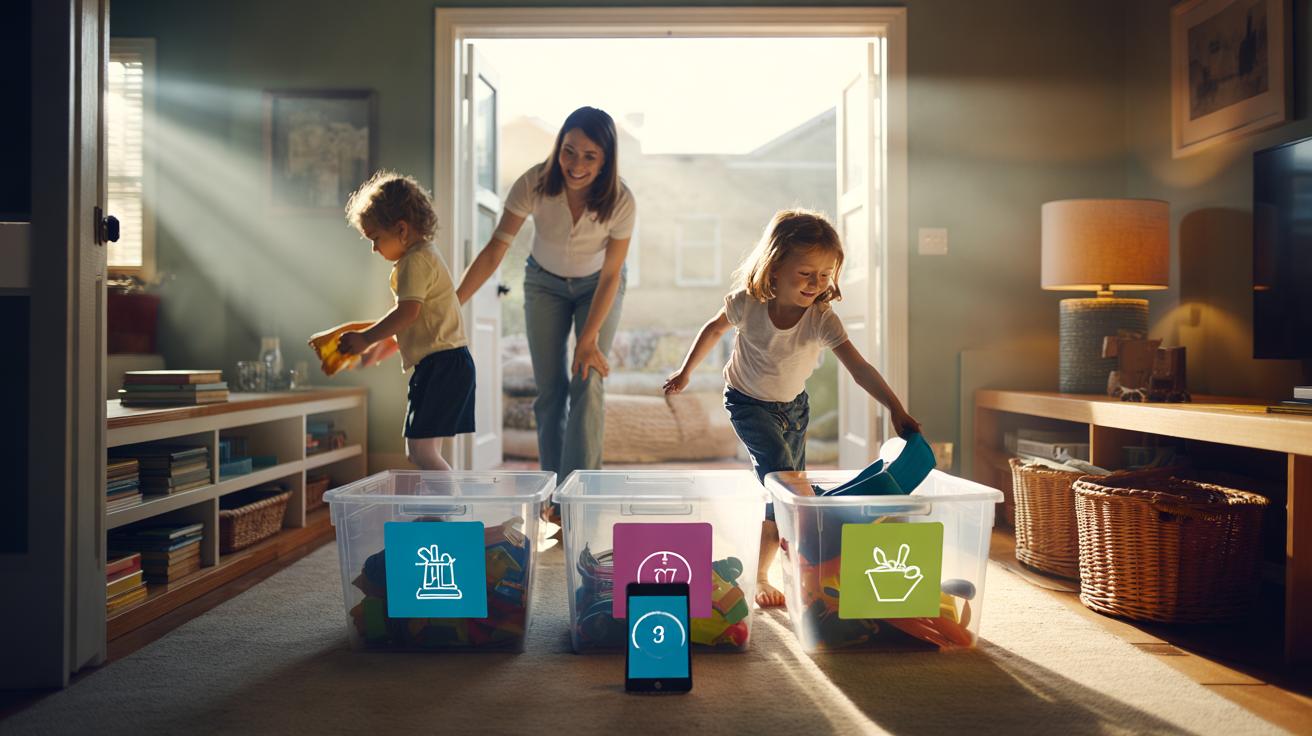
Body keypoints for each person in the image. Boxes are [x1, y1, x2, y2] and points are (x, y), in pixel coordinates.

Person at [663, 208, 920, 608]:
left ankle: (772, 570)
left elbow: (859, 369)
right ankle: (801, 552)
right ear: (775, 267)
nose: (816, 283)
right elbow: (713, 330)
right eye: (806, 273)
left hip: (794, 410)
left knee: (783, 493)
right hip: (746, 402)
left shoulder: (821, 319)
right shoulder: (748, 303)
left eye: (825, 274)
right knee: (786, 482)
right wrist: (685, 371)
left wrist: (895, 408)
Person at [457, 106, 636, 489]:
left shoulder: (621, 201)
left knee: (587, 377)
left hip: (598, 286)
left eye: (589, 156)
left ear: (605, 160)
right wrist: (454, 302)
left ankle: (582, 491)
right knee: (550, 388)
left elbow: (611, 274)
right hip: (543, 283)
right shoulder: (534, 183)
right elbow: (495, 250)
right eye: (569, 151)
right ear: (558, 146)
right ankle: (554, 494)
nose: (576, 165)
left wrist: (587, 340)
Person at [328, 170, 475, 471]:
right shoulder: (422, 257)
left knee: (421, 452)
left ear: (401, 229)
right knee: (420, 452)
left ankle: (450, 501)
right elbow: (414, 326)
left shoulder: (415, 261)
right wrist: (378, 350)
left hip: (443, 367)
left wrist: (366, 338)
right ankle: (440, 501)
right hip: (445, 365)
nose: (374, 248)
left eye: (375, 238)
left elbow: (407, 314)